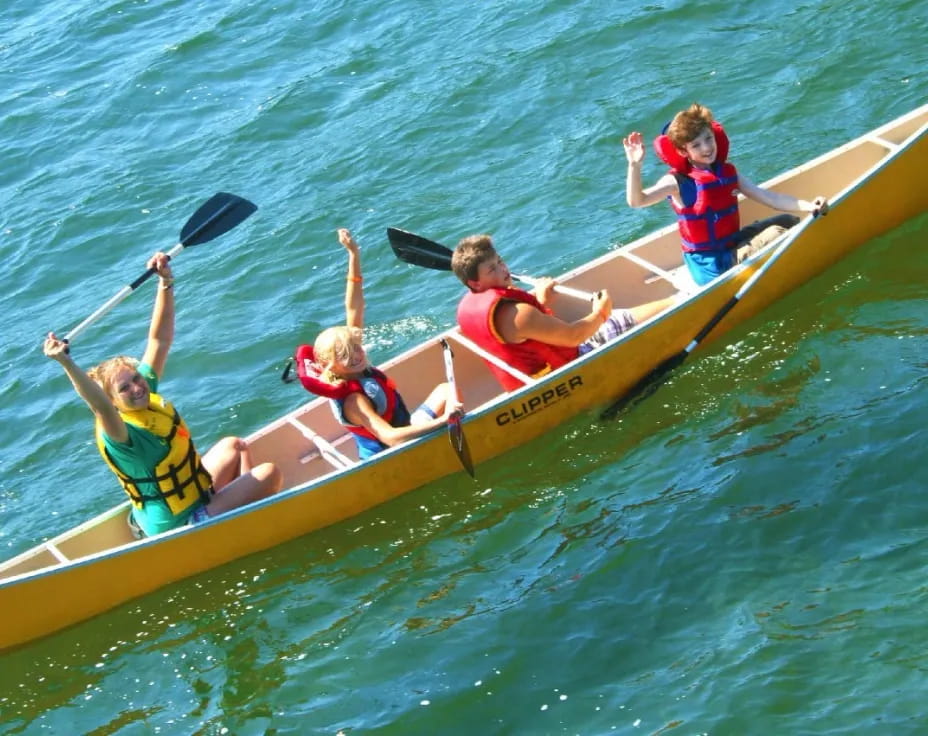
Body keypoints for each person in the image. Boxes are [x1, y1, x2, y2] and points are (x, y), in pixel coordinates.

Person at [43, 252, 282, 538]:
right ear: (113, 401)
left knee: (234, 445)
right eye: (124, 388)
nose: (136, 387)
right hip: (176, 524)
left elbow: (160, 340)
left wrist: (166, 282)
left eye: (135, 378)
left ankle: (237, 505)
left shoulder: (145, 397)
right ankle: (241, 518)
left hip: (196, 493)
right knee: (268, 474)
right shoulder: (120, 432)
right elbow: (99, 408)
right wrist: (66, 362)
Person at [292, 228, 462, 460]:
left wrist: (354, 254)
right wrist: (444, 421)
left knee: (446, 390)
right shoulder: (354, 400)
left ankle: (457, 431)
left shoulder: (355, 368)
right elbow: (391, 437)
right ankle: (454, 434)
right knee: (446, 404)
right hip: (393, 453)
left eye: (356, 347)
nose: (355, 355)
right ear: (329, 366)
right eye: (344, 355)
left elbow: (354, 306)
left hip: (406, 428)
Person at [623, 102, 829, 287]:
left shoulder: (726, 172)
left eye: (708, 138)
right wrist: (634, 165)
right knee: (778, 233)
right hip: (711, 267)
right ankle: (808, 270)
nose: (706, 148)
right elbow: (637, 201)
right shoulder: (677, 181)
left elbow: (770, 198)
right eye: (696, 145)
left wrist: (809, 206)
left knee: (788, 220)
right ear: (683, 152)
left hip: (730, 245)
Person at [451, 234, 676, 391]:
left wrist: (540, 301)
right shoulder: (516, 313)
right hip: (571, 371)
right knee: (621, 317)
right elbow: (574, 337)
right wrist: (601, 313)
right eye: (492, 269)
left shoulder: (478, 306)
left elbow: (521, 336)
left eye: (500, 261)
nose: (503, 269)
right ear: (475, 283)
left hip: (534, 380)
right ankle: (679, 301)